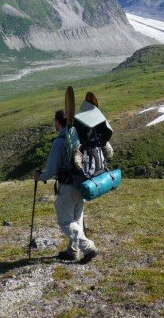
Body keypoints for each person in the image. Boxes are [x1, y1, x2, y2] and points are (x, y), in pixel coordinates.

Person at [33, 109, 98, 263]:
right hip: (81, 184)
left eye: (54, 121)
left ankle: (88, 247)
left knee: (65, 221)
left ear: (57, 121)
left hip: (67, 186)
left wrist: (40, 176)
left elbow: (52, 169)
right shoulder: (78, 138)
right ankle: (72, 251)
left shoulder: (60, 141)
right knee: (76, 220)